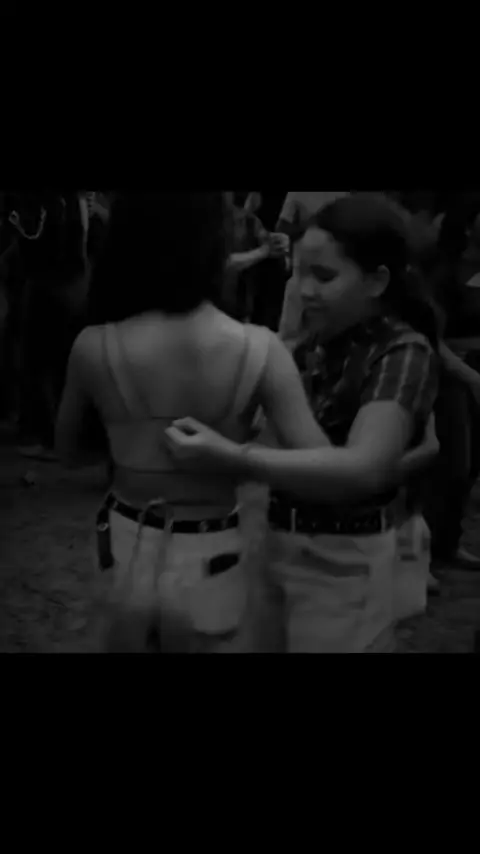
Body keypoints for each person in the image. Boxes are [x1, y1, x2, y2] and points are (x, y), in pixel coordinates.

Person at [166, 193, 439, 653]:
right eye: (297, 272)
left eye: (324, 276)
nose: (305, 289)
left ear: (376, 281)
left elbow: (363, 467)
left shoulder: (401, 351)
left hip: (344, 559)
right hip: (278, 541)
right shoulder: (310, 344)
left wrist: (236, 457)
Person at [55, 191, 325, 654]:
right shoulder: (262, 349)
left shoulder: (92, 346)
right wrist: (241, 454)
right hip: (213, 549)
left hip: (125, 543)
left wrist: (132, 440)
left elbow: (69, 453)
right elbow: (320, 469)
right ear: (215, 241)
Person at [276, 191, 350, 348]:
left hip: (333, 272)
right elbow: (282, 228)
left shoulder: (344, 195)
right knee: (289, 332)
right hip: (301, 270)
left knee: (326, 334)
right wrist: (309, 226)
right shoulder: (298, 194)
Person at [224, 192, 287, 322]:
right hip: (217, 308)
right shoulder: (214, 223)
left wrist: (280, 241)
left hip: (243, 308)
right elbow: (224, 263)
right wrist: (263, 251)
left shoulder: (251, 221)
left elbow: (266, 241)